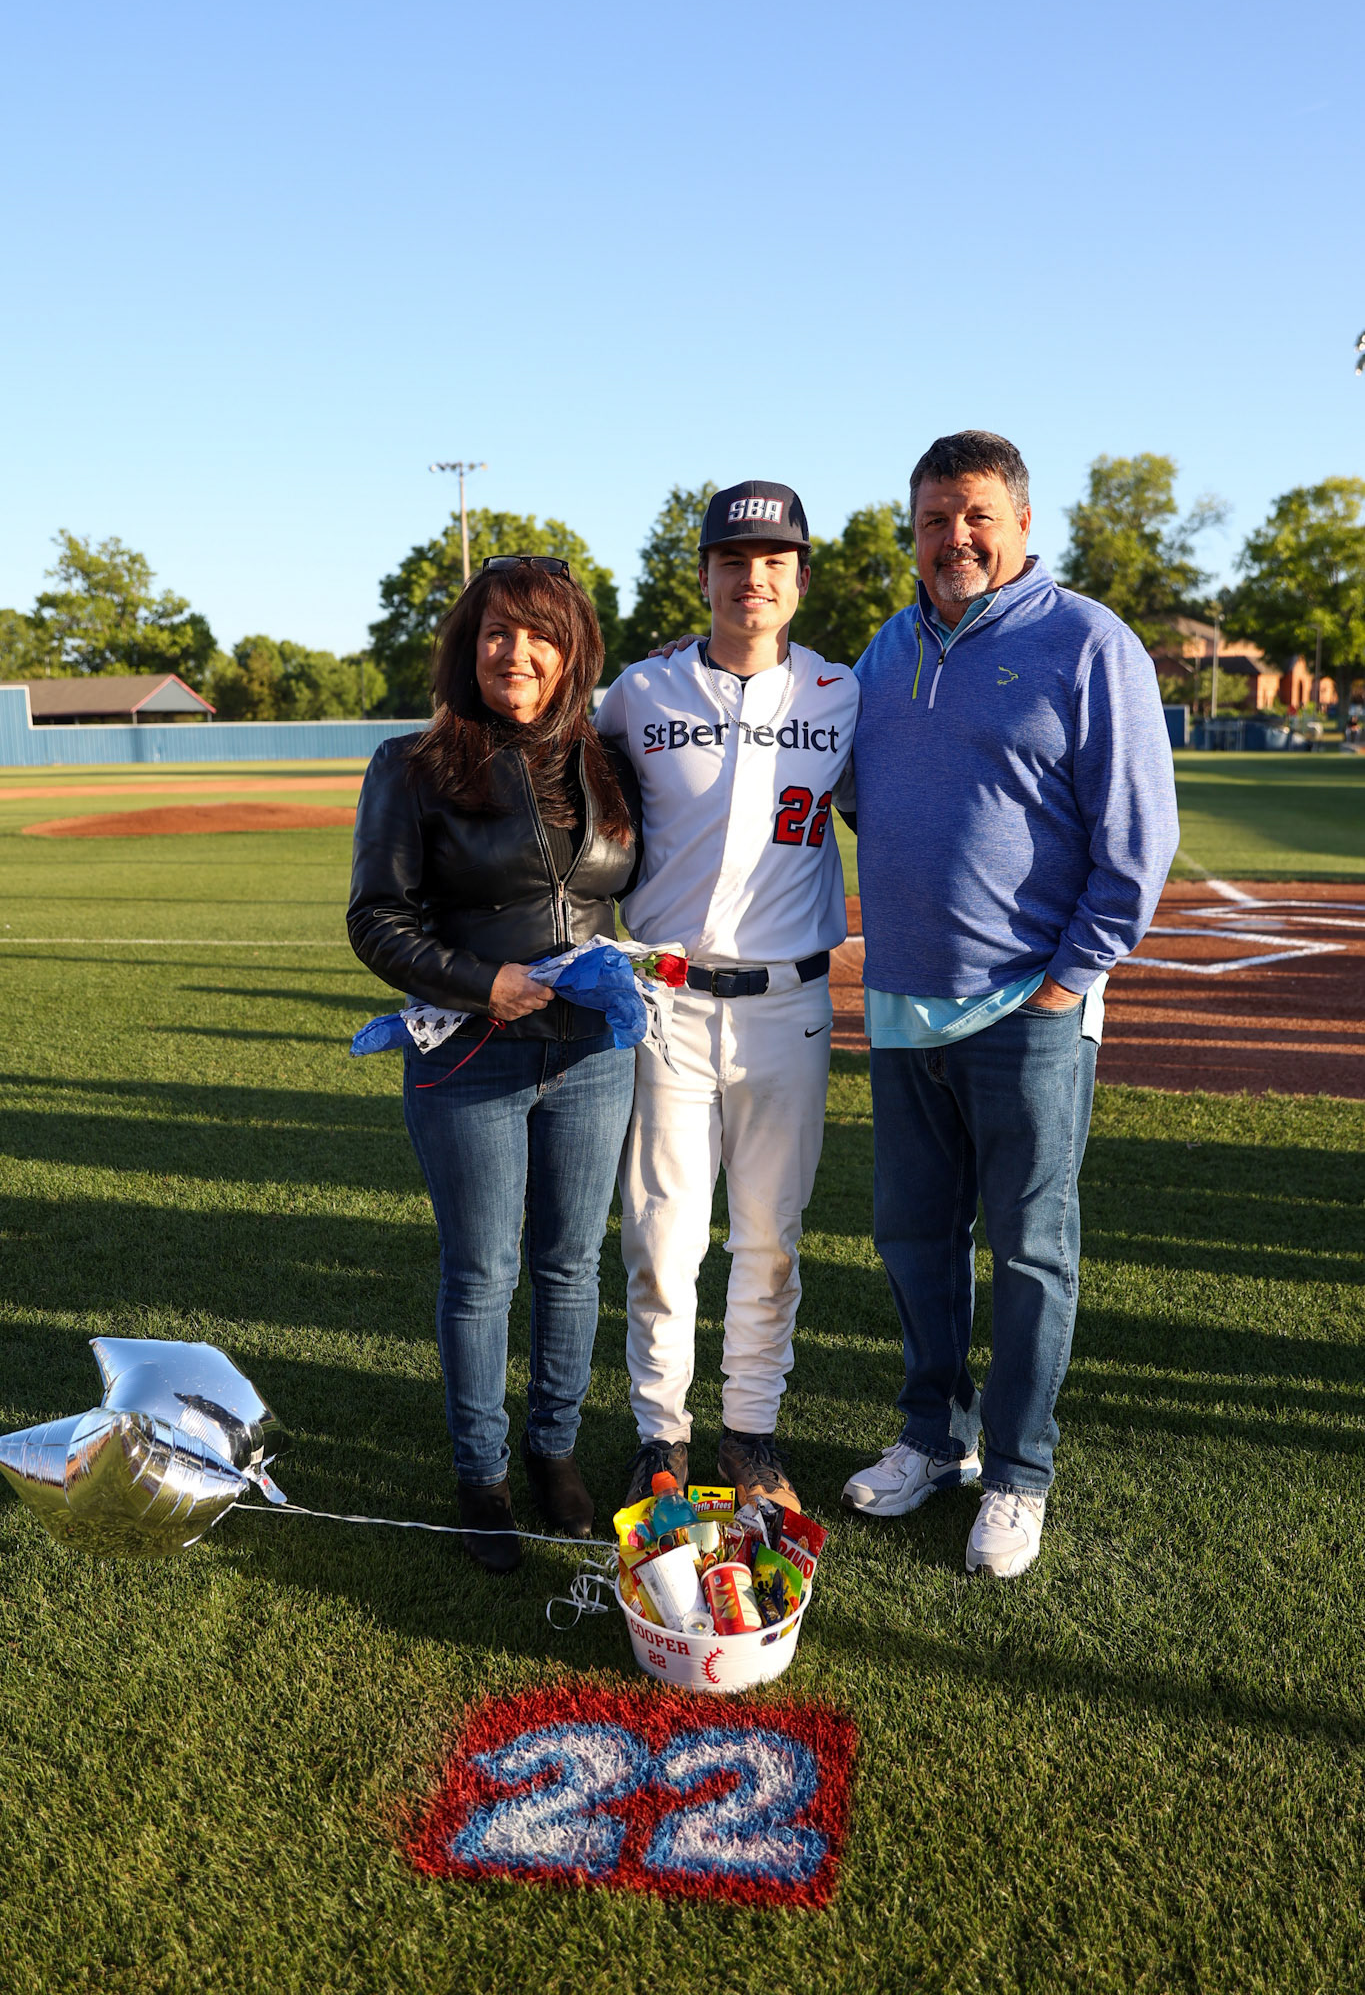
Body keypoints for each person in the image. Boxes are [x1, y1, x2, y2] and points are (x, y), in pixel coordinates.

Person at [840, 431, 1178, 1578]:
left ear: (1024, 525)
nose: (955, 537)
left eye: (977, 514)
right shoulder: (885, 652)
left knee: (1031, 1248)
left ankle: (1020, 1469)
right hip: (901, 1006)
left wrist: (1071, 974)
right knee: (913, 1237)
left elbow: (1138, 841)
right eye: (934, 518)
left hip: (1028, 1008)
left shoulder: (1089, 643)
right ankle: (934, 1435)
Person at [347, 556, 639, 1574]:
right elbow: (374, 921)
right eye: (496, 634)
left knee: (570, 1264)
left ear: (572, 652)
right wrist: (486, 980)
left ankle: (553, 1451)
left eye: (540, 635)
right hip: (469, 1051)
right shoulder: (413, 762)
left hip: (593, 1055)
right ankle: (483, 1476)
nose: (517, 653)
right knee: (482, 1272)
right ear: (469, 649)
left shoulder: (605, 761)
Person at [597, 481, 859, 1514]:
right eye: (735, 560)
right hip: (666, 1001)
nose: (755, 578)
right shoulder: (642, 691)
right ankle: (660, 1433)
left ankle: (751, 1431)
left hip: (788, 1004)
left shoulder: (843, 692)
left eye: (776, 562)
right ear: (703, 574)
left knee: (770, 1234)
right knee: (662, 1235)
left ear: (799, 581)